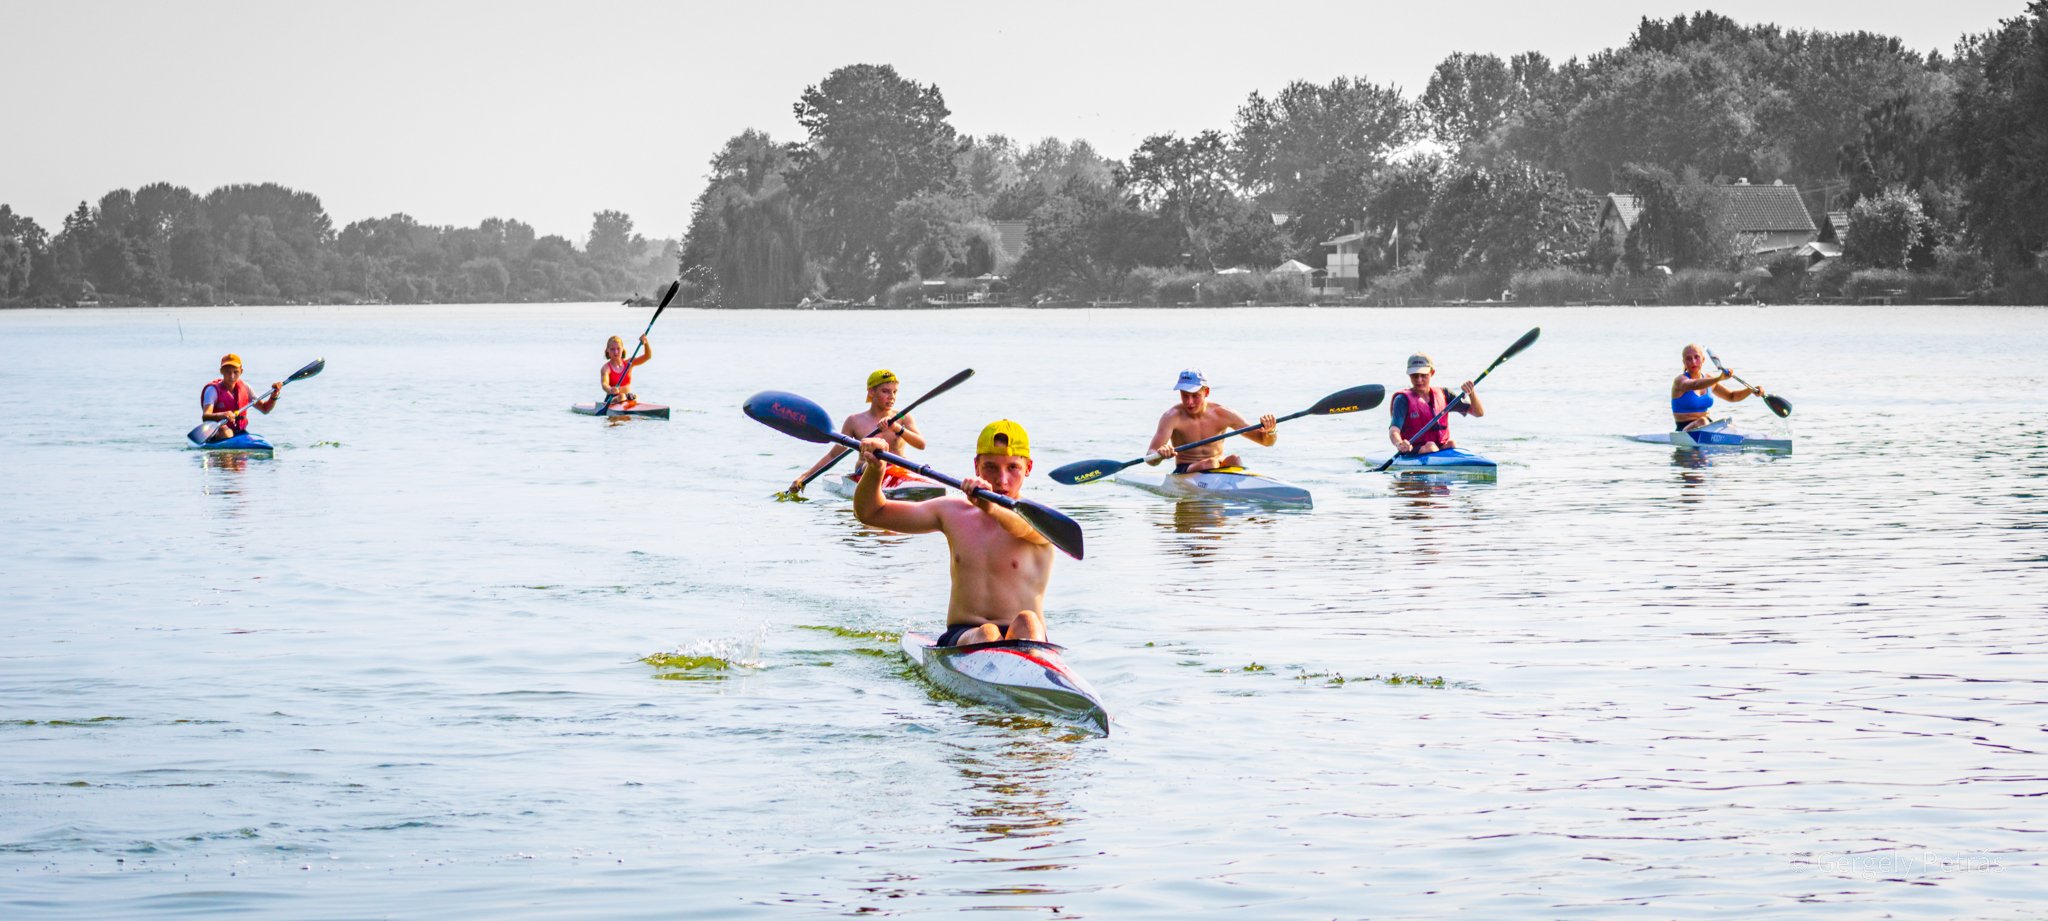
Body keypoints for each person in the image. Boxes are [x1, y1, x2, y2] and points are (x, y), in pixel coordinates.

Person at [852, 420, 1052, 647]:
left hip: (1030, 641)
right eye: (991, 467)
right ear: (976, 466)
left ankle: (1027, 671)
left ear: (1028, 467)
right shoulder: (952, 512)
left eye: (1013, 467)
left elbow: (1021, 526)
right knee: (987, 633)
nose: (1002, 480)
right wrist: (875, 470)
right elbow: (871, 513)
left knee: (1028, 621)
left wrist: (991, 507)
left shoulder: (1042, 519)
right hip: (964, 634)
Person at [787, 370, 927, 495]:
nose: (892, 397)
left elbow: (921, 444)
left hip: (899, 473)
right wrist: (804, 477)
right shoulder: (854, 421)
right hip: (865, 472)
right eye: (885, 391)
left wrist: (898, 429)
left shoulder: (903, 418)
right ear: (872, 392)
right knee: (874, 461)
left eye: (894, 392)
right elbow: (833, 455)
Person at [1144, 369, 1277, 474]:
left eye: (1195, 396)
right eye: (1185, 395)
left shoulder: (1223, 413)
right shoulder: (1171, 417)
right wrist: (1160, 454)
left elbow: (1266, 442)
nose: (1189, 402)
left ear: (1206, 392)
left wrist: (1270, 431)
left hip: (1216, 467)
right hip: (1186, 469)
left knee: (1235, 459)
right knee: (1210, 464)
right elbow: (1150, 457)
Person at [1388, 352, 1483, 456]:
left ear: (1432, 373)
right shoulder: (1402, 399)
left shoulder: (1445, 394)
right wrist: (1399, 443)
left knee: (1451, 444)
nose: (1419, 380)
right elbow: (1394, 430)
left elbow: (1478, 413)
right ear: (1409, 375)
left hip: (1438, 448)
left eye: (1423, 375)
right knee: (1431, 447)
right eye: (1414, 375)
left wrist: (1471, 393)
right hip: (1412, 450)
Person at [1671, 343, 1761, 431]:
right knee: (1702, 421)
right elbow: (1694, 384)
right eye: (1688, 359)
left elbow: (1731, 396)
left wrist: (1750, 390)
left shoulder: (1709, 379)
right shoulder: (1680, 381)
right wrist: (1719, 378)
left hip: (1706, 425)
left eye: (1696, 357)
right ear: (1684, 362)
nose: (1693, 361)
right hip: (1684, 429)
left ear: (1703, 359)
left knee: (1729, 423)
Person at [200, 353, 280, 441]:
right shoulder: (212, 390)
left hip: (240, 433)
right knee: (227, 432)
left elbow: (265, 409)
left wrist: (274, 396)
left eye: (235, 372)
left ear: (241, 371)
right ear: (221, 371)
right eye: (227, 372)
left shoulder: (246, 388)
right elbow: (205, 416)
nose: (231, 376)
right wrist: (223, 415)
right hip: (218, 431)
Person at [600, 334, 652, 403]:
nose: (616, 352)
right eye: (612, 349)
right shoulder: (606, 368)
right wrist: (610, 389)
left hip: (627, 397)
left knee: (635, 396)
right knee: (622, 396)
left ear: (622, 349)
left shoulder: (629, 363)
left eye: (618, 349)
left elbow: (647, 356)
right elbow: (604, 384)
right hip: (612, 399)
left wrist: (646, 343)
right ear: (607, 350)